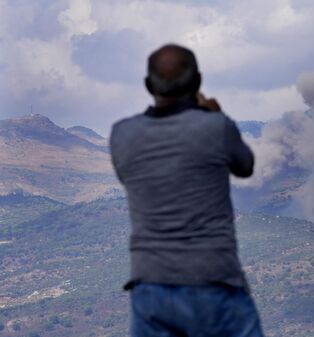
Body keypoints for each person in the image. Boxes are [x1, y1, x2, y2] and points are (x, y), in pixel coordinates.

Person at [109, 44, 264, 337]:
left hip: (151, 287)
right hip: (214, 282)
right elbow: (245, 166)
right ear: (197, 83)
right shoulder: (216, 127)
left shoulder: (122, 134)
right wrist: (216, 114)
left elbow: (129, 176)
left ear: (147, 85)